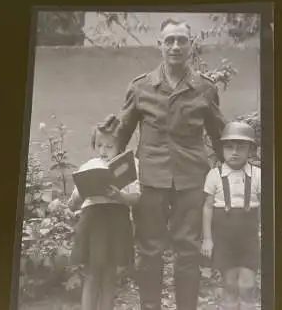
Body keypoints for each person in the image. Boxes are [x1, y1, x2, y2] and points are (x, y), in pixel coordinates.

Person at [109, 17, 227, 310]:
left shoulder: (204, 88)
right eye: (169, 40)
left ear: (191, 45)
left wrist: (227, 177)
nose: (175, 46)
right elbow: (119, 137)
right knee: (150, 250)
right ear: (159, 45)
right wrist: (109, 173)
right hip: (150, 178)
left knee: (188, 251)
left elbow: (219, 135)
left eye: (181, 40)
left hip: (191, 179)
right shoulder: (141, 88)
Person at [68, 114, 141, 310]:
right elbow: (73, 203)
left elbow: (137, 197)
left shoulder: (128, 165)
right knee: (92, 275)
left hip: (116, 223)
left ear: (121, 147)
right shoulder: (89, 166)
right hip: (93, 223)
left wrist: (121, 197)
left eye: (109, 147)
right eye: (99, 145)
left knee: (109, 277)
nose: (103, 151)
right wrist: (81, 193)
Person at [201, 121, 261, 310]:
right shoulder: (214, 175)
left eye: (241, 147)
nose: (234, 152)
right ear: (222, 149)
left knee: (247, 284)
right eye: (229, 147)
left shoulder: (258, 175)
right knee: (230, 283)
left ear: (250, 150)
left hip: (249, 236)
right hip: (225, 237)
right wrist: (207, 239)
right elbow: (208, 207)